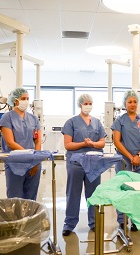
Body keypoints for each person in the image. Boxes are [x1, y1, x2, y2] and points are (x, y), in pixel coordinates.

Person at [61, 94, 106, 236]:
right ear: (80, 104)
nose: (88, 105)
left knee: (93, 194)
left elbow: (102, 142)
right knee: (73, 193)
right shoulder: (71, 122)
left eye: (90, 103)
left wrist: (92, 144)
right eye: (85, 103)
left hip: (94, 163)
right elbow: (68, 145)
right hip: (76, 163)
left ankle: (94, 223)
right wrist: (83, 144)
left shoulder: (97, 123)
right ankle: (69, 223)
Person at [111, 90, 140, 232]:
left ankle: (136, 220)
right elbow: (116, 141)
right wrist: (130, 156)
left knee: (139, 191)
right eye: (130, 102)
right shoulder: (120, 121)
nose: (132, 104)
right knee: (124, 190)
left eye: (135, 101)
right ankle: (122, 220)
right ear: (125, 103)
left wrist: (139, 156)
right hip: (124, 160)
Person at [0, 88, 42, 200]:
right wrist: (28, 156)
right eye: (23, 98)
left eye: (27, 99)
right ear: (14, 100)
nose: (26, 101)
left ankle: (30, 218)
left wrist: (35, 161)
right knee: (15, 199)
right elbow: (10, 142)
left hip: (33, 163)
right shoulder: (7, 118)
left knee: (31, 198)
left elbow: (37, 141)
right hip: (15, 163)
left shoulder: (33, 119)